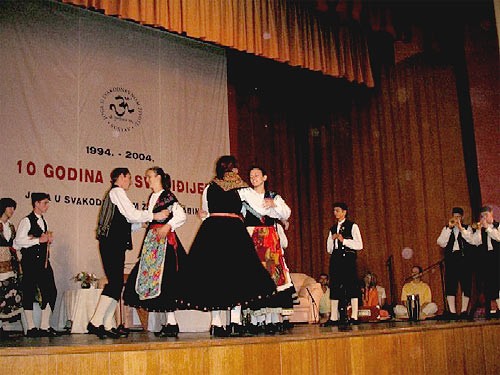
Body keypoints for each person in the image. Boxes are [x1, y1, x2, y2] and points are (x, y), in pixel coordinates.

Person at [178, 155, 276, 337]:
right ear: (233, 168)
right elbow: (261, 208)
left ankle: (217, 323)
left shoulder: (209, 187)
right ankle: (236, 322)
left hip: (212, 232)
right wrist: (273, 204)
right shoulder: (241, 187)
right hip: (233, 232)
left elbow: (206, 212)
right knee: (237, 276)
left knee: (214, 278)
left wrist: (206, 215)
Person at [88, 168, 169, 339]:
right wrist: (154, 216)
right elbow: (131, 215)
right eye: (129, 178)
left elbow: (125, 224)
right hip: (111, 244)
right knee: (116, 283)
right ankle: (95, 322)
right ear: (122, 177)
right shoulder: (117, 192)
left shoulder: (116, 194)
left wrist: (143, 224)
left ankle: (106, 324)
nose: (130, 182)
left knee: (115, 284)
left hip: (114, 243)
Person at [123, 167, 187, 337]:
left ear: (158, 177)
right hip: (153, 241)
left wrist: (168, 226)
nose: (147, 180)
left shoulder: (167, 195)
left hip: (164, 241)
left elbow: (181, 215)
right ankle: (171, 323)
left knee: (166, 280)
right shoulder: (152, 197)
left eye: (150, 176)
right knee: (154, 279)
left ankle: (172, 323)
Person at [239, 166, 293, 334]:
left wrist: (274, 204)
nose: (253, 177)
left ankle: (271, 320)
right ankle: (256, 320)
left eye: (257, 175)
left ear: (264, 177)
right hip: (252, 237)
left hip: (269, 239)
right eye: (251, 175)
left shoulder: (273, 196)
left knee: (272, 276)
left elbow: (286, 213)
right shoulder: (245, 194)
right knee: (253, 277)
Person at [13, 193, 58, 337]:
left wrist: (46, 240)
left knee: (51, 291)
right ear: (36, 204)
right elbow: (18, 242)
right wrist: (38, 240)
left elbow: (41, 240)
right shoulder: (26, 221)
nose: (47, 206)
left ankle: (45, 326)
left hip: (43, 263)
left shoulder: (43, 221)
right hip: (30, 262)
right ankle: (31, 327)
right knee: (29, 291)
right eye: (45, 203)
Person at [323, 202, 363, 326]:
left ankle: (354, 316)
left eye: (338, 210)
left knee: (351, 286)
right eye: (334, 211)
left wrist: (343, 240)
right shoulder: (332, 229)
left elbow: (359, 245)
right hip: (336, 259)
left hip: (348, 259)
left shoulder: (353, 226)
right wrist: (332, 239)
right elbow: (329, 249)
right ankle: (334, 317)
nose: (336, 213)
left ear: (344, 212)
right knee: (335, 286)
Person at [460, 205, 500, 318]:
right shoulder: (480, 229)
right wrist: (462, 229)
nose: (484, 218)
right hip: (486, 259)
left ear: (492, 214)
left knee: (498, 285)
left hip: (497, 257)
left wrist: (488, 227)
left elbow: (498, 237)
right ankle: (488, 311)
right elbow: (474, 241)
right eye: (482, 216)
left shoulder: (497, 226)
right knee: (487, 286)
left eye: (486, 215)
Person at [436, 207, 474, 319]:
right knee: (450, 284)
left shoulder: (467, 228)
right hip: (451, 259)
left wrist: (461, 229)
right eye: (454, 216)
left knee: (465, 284)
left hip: (464, 259)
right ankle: (452, 312)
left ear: (462, 217)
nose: (456, 219)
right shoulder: (447, 228)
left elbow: (471, 239)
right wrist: (449, 228)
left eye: (458, 217)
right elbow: (441, 242)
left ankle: (463, 312)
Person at [0, 198, 23, 339]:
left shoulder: (11, 226)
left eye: (13, 208)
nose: (12, 211)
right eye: (10, 207)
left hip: (9, 262)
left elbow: (14, 244)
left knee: (6, 293)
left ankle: (1, 326)